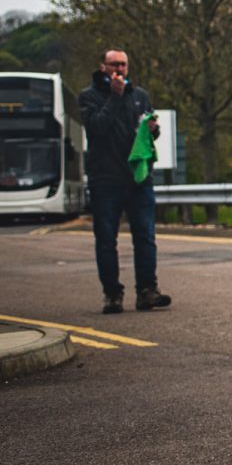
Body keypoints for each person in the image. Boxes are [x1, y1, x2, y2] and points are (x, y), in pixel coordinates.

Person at [79, 48, 171, 314]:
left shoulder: (140, 96)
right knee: (106, 239)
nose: (119, 68)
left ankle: (147, 291)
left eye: (123, 64)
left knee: (145, 237)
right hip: (105, 180)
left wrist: (154, 130)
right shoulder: (89, 97)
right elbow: (97, 128)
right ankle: (112, 294)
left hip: (138, 179)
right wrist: (115, 97)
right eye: (114, 64)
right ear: (103, 67)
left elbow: (147, 132)